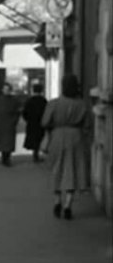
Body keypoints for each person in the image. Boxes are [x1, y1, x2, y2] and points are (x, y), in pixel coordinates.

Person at [41, 75, 92, 220]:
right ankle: (68, 205)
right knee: (73, 169)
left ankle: (57, 201)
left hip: (57, 136)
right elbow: (87, 125)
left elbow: (45, 122)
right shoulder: (82, 104)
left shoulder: (53, 103)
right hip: (76, 137)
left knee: (56, 168)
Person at [0, 82, 20, 166]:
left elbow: (17, 112)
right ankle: (3, 157)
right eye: (5, 89)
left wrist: (14, 121)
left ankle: (7, 158)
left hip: (10, 123)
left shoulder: (14, 100)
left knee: (9, 142)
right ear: (2, 90)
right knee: (1, 142)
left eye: (8, 89)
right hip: (0, 123)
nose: (6, 91)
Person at [22, 83, 47, 162]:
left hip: (31, 123)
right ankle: (36, 154)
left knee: (33, 139)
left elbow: (24, 112)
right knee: (39, 139)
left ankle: (35, 154)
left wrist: (28, 119)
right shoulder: (43, 101)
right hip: (40, 123)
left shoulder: (29, 101)